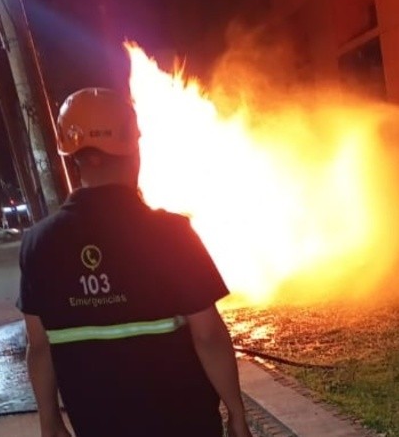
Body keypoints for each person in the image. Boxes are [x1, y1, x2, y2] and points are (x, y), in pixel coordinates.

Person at [17, 88, 252, 437]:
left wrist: (49, 421)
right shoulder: (172, 233)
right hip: (185, 425)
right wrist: (236, 412)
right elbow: (208, 335)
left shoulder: (37, 243)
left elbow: (39, 347)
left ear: (73, 156)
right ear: (133, 149)